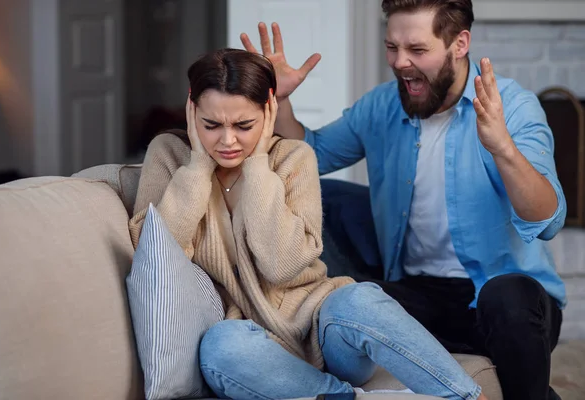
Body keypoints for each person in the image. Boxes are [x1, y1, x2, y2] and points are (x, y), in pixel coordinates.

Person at [239, 1, 566, 399]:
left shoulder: (512, 107)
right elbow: (312, 154)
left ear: (459, 43)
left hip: (508, 302)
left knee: (507, 295)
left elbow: (547, 219)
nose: (400, 62)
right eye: (391, 47)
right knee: (355, 300)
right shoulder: (382, 105)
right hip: (422, 295)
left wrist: (503, 149)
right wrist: (282, 101)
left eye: (417, 49)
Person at [128, 48, 488, 400]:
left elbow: (281, 266)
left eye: (244, 125)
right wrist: (197, 167)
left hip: (321, 331)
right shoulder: (171, 156)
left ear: (268, 110)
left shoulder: (293, 158)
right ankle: (342, 397)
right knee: (221, 347)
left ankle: (467, 396)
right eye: (211, 125)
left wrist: (256, 166)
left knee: (358, 298)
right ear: (192, 109)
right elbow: (158, 252)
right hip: (255, 350)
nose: (227, 141)